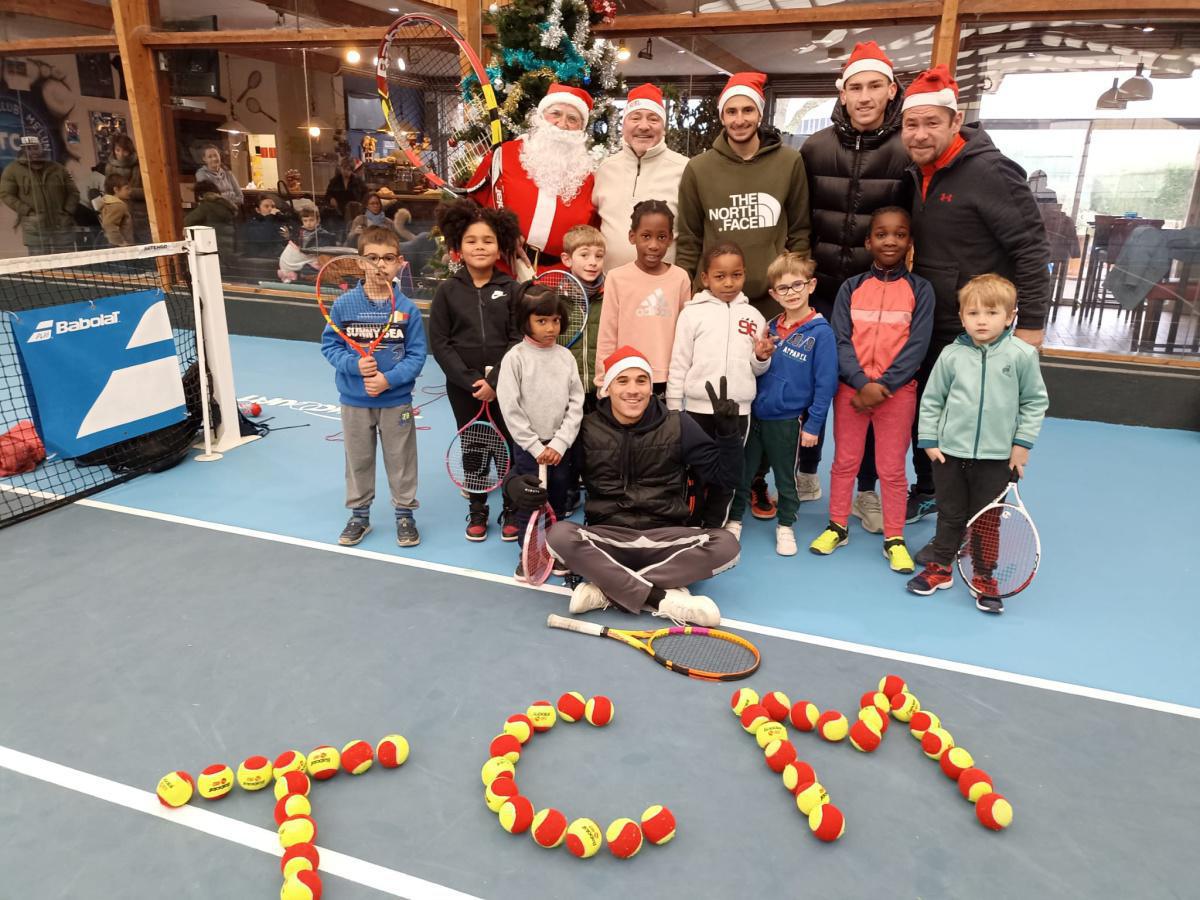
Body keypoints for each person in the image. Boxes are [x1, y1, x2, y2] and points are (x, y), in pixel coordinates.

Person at [899, 65, 1051, 524]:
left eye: (932, 123)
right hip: (936, 321)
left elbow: (1031, 248)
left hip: (985, 328)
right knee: (931, 413)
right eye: (912, 124)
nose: (921, 133)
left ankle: (986, 508)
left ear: (954, 119)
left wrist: (1029, 328)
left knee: (987, 423)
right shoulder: (918, 171)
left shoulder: (992, 172)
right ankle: (930, 490)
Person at [524, 346, 742, 626]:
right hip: (608, 539)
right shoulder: (585, 429)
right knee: (559, 536)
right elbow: (554, 478)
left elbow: (728, 478)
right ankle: (659, 598)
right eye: (623, 381)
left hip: (668, 539)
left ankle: (607, 590)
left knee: (727, 545)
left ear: (651, 387)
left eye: (642, 380)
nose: (633, 390)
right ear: (608, 388)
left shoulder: (680, 424)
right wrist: (517, 487)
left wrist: (728, 435)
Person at [797, 41, 913, 531]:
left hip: (879, 295)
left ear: (890, 90)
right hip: (822, 289)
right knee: (815, 385)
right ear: (841, 94)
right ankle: (804, 470)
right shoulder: (814, 147)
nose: (864, 97)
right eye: (855, 87)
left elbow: (913, 224)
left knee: (871, 391)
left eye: (874, 86)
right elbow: (801, 220)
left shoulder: (908, 147)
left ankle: (867, 489)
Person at [908, 274, 1048, 614]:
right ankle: (941, 568)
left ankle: (984, 577)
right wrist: (929, 439)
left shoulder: (1021, 355)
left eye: (991, 312)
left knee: (987, 521)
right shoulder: (951, 355)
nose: (982, 320)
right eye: (973, 313)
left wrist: (1021, 446)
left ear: (1011, 315)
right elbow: (932, 401)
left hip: (997, 458)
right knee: (950, 514)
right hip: (949, 454)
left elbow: (1034, 402)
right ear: (961, 317)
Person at [809, 207, 932, 574]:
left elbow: (917, 345)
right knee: (844, 462)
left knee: (892, 469)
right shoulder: (851, 287)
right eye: (881, 234)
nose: (890, 240)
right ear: (868, 241)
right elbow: (840, 339)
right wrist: (861, 383)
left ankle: (894, 538)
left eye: (899, 234)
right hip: (851, 392)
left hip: (898, 394)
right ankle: (837, 526)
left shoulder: (920, 290)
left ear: (909, 241)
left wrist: (885, 385)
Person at [320, 226, 427, 549]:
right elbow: (330, 347)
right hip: (355, 402)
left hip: (395, 401)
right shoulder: (343, 306)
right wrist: (354, 365)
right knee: (358, 459)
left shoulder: (407, 309)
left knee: (401, 459)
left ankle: (405, 514)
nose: (380, 265)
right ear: (360, 263)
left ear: (400, 263)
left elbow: (417, 355)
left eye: (388, 258)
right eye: (372, 258)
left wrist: (388, 379)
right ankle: (359, 515)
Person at [675, 72, 811, 320]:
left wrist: (795, 287)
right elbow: (689, 239)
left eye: (748, 110)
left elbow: (800, 231)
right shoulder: (698, 169)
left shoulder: (790, 162)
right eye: (731, 111)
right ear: (722, 116)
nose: (739, 120)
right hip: (715, 302)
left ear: (760, 113)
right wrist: (686, 291)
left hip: (775, 299)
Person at [728, 253, 837, 556]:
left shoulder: (822, 333)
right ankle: (734, 520)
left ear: (811, 285)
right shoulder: (770, 326)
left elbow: (826, 384)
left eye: (797, 285)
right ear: (774, 294)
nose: (791, 293)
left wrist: (813, 424)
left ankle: (786, 524)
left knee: (786, 478)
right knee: (744, 472)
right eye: (783, 288)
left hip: (788, 420)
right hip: (754, 415)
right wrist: (760, 356)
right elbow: (757, 366)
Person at [428, 199, 523, 542]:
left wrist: (496, 380)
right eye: (471, 240)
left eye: (487, 240)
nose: (480, 247)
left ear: (500, 246)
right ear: (457, 247)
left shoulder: (511, 289)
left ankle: (511, 507)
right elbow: (440, 344)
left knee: (508, 446)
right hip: (464, 389)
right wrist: (471, 382)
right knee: (474, 445)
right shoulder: (448, 291)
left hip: (506, 387)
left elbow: (518, 338)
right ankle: (479, 508)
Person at [667, 242, 771, 528]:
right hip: (697, 410)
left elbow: (757, 368)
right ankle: (692, 522)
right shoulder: (692, 314)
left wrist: (761, 357)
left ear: (744, 275)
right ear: (705, 278)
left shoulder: (754, 317)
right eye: (720, 276)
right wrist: (674, 409)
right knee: (697, 470)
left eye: (736, 275)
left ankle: (715, 526)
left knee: (729, 471)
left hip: (738, 412)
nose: (728, 282)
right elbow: (679, 363)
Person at [497, 284, 585, 581]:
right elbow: (511, 408)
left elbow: (576, 403)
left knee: (557, 505)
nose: (550, 327)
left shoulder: (566, 358)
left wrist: (559, 443)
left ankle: (556, 552)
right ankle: (528, 554)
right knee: (529, 504)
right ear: (525, 321)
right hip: (528, 451)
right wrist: (536, 447)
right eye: (541, 321)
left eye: (555, 320)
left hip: (560, 450)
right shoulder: (515, 358)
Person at [468, 83, 600, 273]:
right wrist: (496, 233)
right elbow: (471, 207)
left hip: (559, 278)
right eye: (556, 114)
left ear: (581, 128)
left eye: (573, 119)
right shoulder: (504, 156)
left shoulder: (589, 178)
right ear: (540, 117)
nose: (562, 124)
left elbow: (595, 234)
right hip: (499, 270)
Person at [595, 200, 691, 393]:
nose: (654, 245)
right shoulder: (616, 277)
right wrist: (602, 381)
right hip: (626, 376)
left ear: (671, 239)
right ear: (632, 237)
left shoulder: (680, 278)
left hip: (669, 379)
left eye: (661, 237)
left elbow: (686, 335)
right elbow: (607, 334)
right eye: (646, 236)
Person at [592, 83, 688, 271]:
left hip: (665, 290)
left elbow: (694, 235)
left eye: (653, 119)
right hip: (609, 286)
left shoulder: (685, 169)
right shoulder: (605, 169)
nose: (643, 126)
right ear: (623, 125)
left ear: (664, 127)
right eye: (635, 118)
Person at [0, 136, 80, 255]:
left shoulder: (58, 168)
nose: (34, 151)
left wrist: (67, 211)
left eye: (36, 147)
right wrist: (27, 211)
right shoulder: (12, 170)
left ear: (42, 148)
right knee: (41, 268)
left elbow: (73, 192)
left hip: (62, 226)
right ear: (22, 150)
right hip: (35, 229)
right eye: (29, 148)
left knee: (68, 265)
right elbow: (6, 194)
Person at [105, 134, 149, 241]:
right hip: (119, 213)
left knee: (145, 245)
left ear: (130, 150)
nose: (121, 154)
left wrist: (129, 192)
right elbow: (108, 192)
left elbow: (149, 192)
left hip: (140, 213)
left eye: (124, 150)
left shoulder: (140, 165)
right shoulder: (110, 168)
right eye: (117, 150)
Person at [277, 205, 336, 283]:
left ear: (318, 220)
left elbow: (319, 252)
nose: (308, 223)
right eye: (305, 221)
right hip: (291, 264)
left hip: (310, 263)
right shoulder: (299, 232)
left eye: (311, 220)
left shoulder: (324, 235)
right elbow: (295, 245)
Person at [184, 182, 237, 257]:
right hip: (228, 249)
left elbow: (186, 222)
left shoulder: (205, 208)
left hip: (210, 250)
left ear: (200, 196)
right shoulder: (227, 207)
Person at [194, 144, 243, 209]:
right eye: (210, 157)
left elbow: (240, 197)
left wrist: (221, 198)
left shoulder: (228, 173)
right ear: (204, 159)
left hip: (233, 211)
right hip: (215, 213)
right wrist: (231, 196)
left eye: (216, 155)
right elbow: (210, 198)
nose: (214, 159)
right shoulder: (201, 174)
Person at [240, 194, 289, 258]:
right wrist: (270, 217)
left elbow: (281, 243)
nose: (270, 209)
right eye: (266, 206)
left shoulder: (276, 221)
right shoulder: (252, 224)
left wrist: (287, 237)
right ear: (258, 210)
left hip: (277, 255)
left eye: (273, 206)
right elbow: (264, 237)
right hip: (260, 258)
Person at [99, 173, 134, 247]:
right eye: (127, 188)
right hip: (120, 246)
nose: (130, 191)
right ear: (116, 190)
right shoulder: (118, 205)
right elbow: (109, 224)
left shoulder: (109, 203)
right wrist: (120, 242)